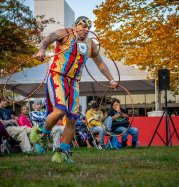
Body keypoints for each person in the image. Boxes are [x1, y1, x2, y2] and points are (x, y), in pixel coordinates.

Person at [33, 16, 118, 162]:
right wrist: (41, 50)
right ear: (76, 26)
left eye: (88, 28)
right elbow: (46, 41)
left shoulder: (90, 44)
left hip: (74, 83)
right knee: (59, 110)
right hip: (57, 76)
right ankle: (43, 135)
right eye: (83, 26)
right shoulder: (64, 33)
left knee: (72, 118)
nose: (86, 30)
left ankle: (62, 153)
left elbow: (100, 63)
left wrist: (111, 79)